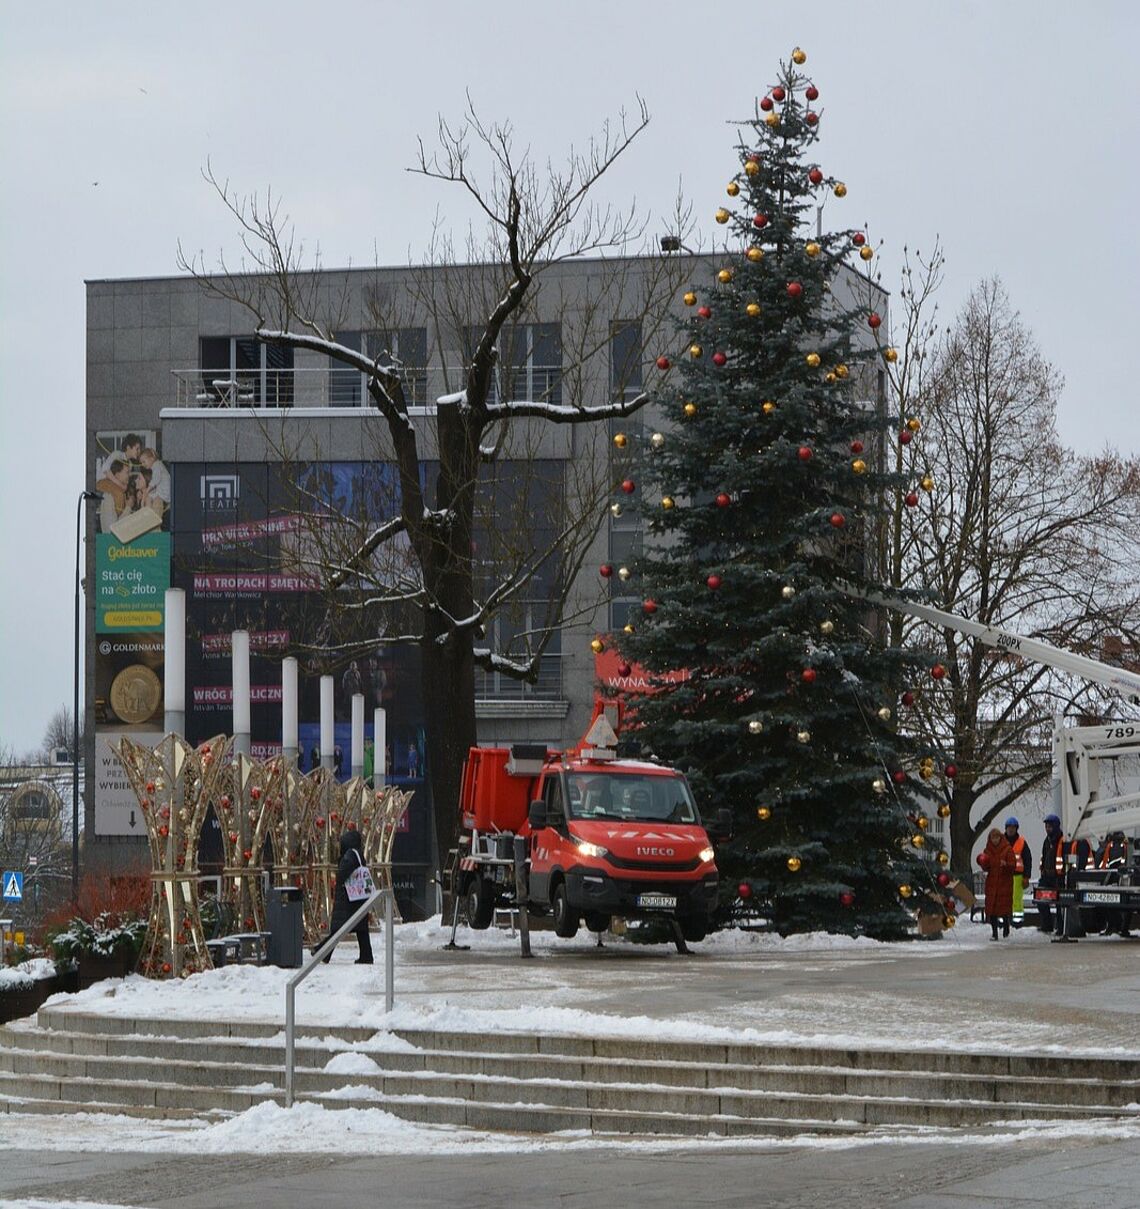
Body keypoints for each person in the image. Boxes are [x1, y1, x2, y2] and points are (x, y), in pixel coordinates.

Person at [313, 828, 373, 964]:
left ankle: (323, 951)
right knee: (361, 929)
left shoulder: (350, 855)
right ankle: (366, 955)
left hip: (348, 899)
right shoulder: (358, 853)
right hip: (358, 898)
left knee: (338, 928)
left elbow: (342, 874)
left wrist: (338, 877)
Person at [977, 828, 1017, 940]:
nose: (995, 840)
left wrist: (1006, 864)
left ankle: (1006, 927)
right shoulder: (987, 851)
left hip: (1004, 883)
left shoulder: (1007, 849)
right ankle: (994, 933)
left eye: (997, 837)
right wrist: (983, 863)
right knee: (992, 910)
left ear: (1000, 838)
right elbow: (986, 867)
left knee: (1004, 909)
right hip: (992, 883)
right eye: (993, 838)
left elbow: (1013, 865)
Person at [1096, 831, 1133, 937]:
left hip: (1114, 877)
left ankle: (1116, 927)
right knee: (1120, 905)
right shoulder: (1120, 845)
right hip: (1119, 877)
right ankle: (1120, 927)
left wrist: (1103, 875)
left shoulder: (1114, 846)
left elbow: (1109, 862)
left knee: (1113, 904)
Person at [1037, 813, 1066, 935]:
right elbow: (1044, 856)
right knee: (1041, 899)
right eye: (1046, 826)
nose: (1047, 828)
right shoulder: (1046, 841)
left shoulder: (1062, 840)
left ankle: (1060, 927)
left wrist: (1061, 874)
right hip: (1047, 876)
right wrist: (1043, 870)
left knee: (1059, 904)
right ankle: (1047, 924)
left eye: (1050, 826)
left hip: (1058, 877)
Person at [1004, 816, 1032, 926]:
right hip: (1004, 876)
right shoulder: (1001, 841)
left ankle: (1017, 921)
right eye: (1009, 827)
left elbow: (1027, 860)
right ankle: (1003, 920)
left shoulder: (1022, 842)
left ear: (1016, 829)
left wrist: (1026, 877)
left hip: (1017, 876)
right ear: (1006, 828)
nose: (1011, 829)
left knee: (1017, 900)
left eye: (1013, 827)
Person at [96, 458, 131, 531]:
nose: (129, 475)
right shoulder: (109, 496)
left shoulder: (121, 493)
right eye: (127, 472)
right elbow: (112, 529)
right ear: (117, 475)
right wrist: (128, 507)